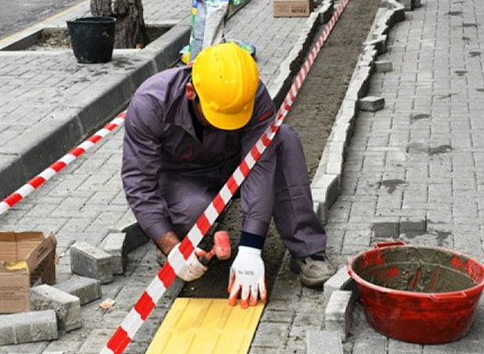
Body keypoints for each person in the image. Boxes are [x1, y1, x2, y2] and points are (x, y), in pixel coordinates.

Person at [121, 42, 335, 307]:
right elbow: (139, 184)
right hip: (185, 178)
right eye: (219, 116)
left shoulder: (251, 93)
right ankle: (179, 248)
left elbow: (259, 164)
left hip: (236, 165)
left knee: (285, 140)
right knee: (192, 210)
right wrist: (170, 245)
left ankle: (307, 250)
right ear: (191, 92)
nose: (227, 125)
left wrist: (251, 247)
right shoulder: (150, 104)